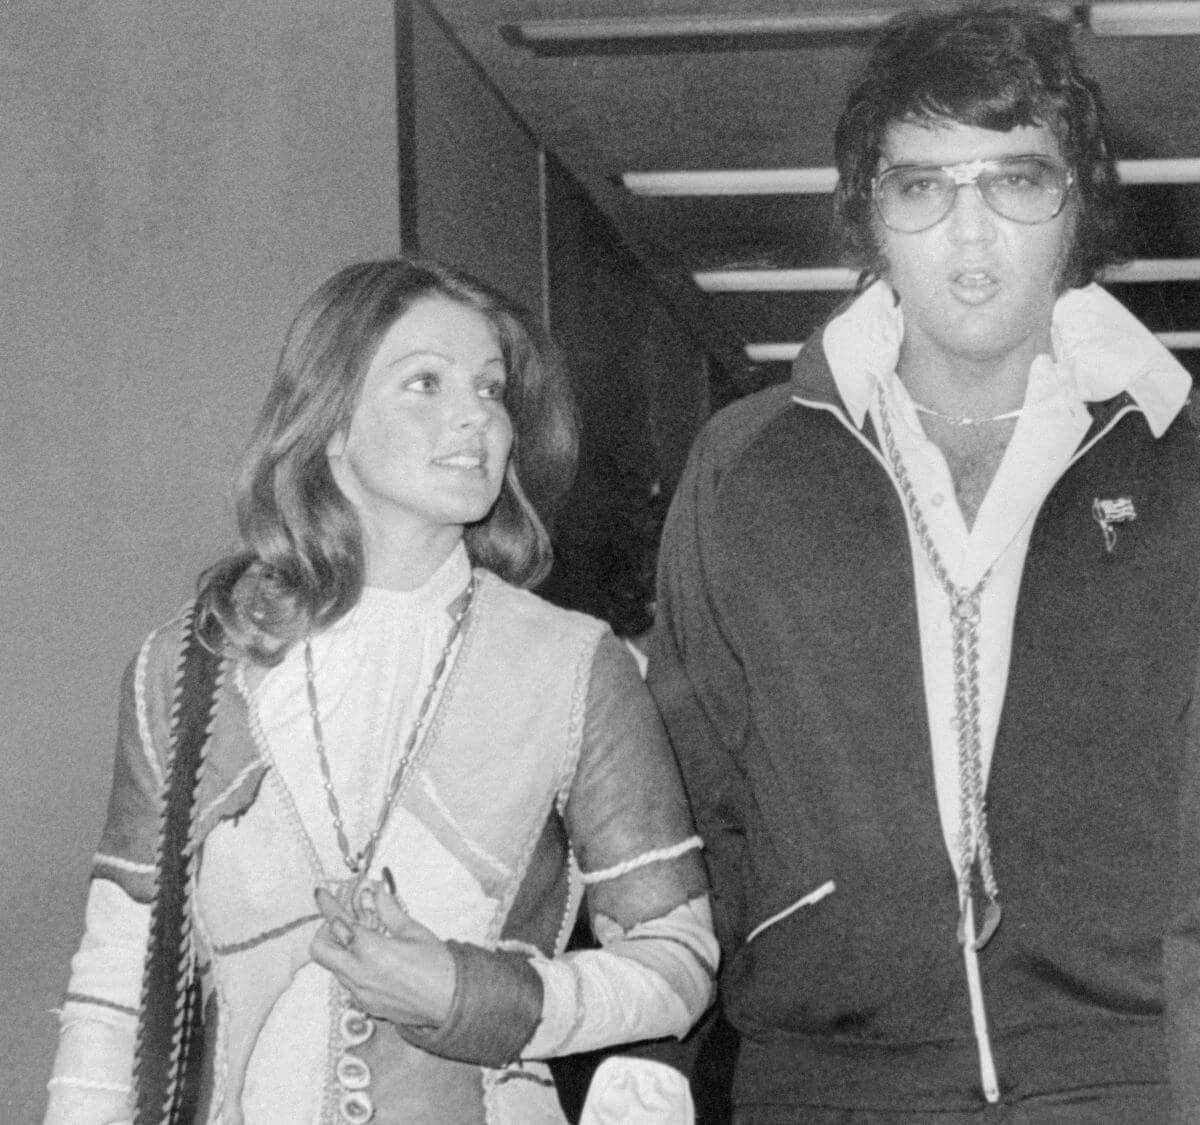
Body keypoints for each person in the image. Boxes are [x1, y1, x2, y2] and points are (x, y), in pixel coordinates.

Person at [648, 6, 1200, 1122]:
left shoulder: (1183, 465)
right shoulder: (747, 470)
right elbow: (701, 777)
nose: (971, 231)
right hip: (827, 1078)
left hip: (1127, 1073)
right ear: (872, 217)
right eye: (922, 187)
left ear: (1077, 204)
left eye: (1016, 180)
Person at [44, 256, 717, 1125]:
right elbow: (114, 984)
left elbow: (678, 962)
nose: (475, 414)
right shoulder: (192, 666)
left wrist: (477, 994)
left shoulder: (574, 664)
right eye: (425, 383)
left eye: (490, 388)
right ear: (329, 421)